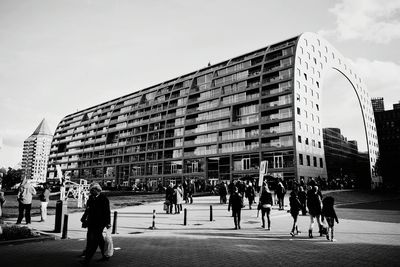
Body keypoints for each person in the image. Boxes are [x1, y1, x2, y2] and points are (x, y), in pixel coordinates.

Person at [80, 183, 111, 264]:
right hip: (91, 221)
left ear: (97, 190)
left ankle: (87, 259)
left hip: (100, 222)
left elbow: (107, 212)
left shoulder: (104, 199)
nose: (90, 192)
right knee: (100, 240)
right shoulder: (90, 198)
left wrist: (108, 223)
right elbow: (88, 209)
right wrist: (83, 218)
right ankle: (105, 256)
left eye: (92, 190)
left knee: (94, 241)